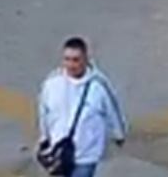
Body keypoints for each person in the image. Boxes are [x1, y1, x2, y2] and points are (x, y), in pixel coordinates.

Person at [37, 37, 128, 177]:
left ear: (86, 59)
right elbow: (44, 112)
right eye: (67, 59)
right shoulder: (51, 84)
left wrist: (119, 134)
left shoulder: (98, 87)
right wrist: (45, 137)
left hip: (86, 154)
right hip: (59, 152)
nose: (71, 65)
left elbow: (112, 111)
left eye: (76, 60)